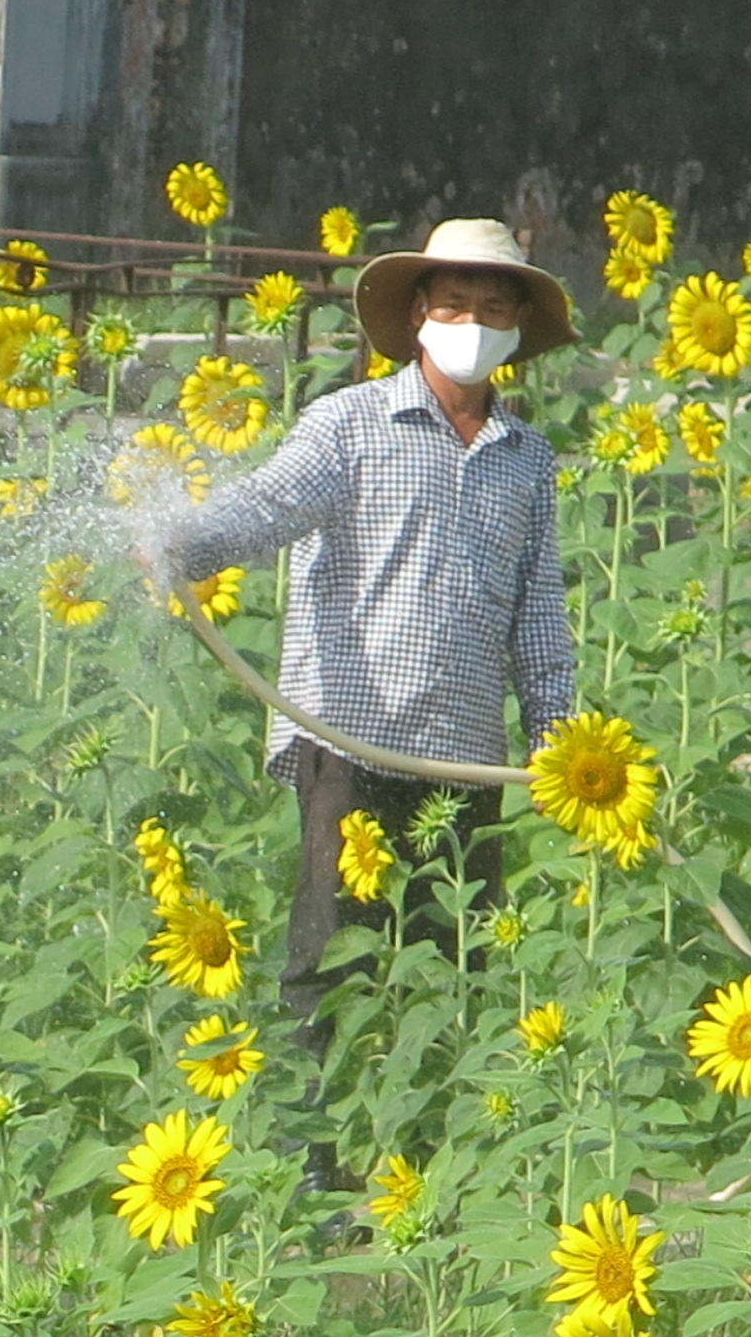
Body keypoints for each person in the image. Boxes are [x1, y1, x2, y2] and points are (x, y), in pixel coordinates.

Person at [148, 215, 576, 1054]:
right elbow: (270, 504)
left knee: (453, 962)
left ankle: (422, 1165)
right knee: (331, 956)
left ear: (519, 329)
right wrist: (184, 541)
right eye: (456, 305)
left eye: (495, 310)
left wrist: (556, 732)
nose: (475, 326)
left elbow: (539, 614)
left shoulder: (528, 457)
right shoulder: (350, 424)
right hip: (346, 736)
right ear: (419, 311)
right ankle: (317, 1166)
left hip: (463, 751)